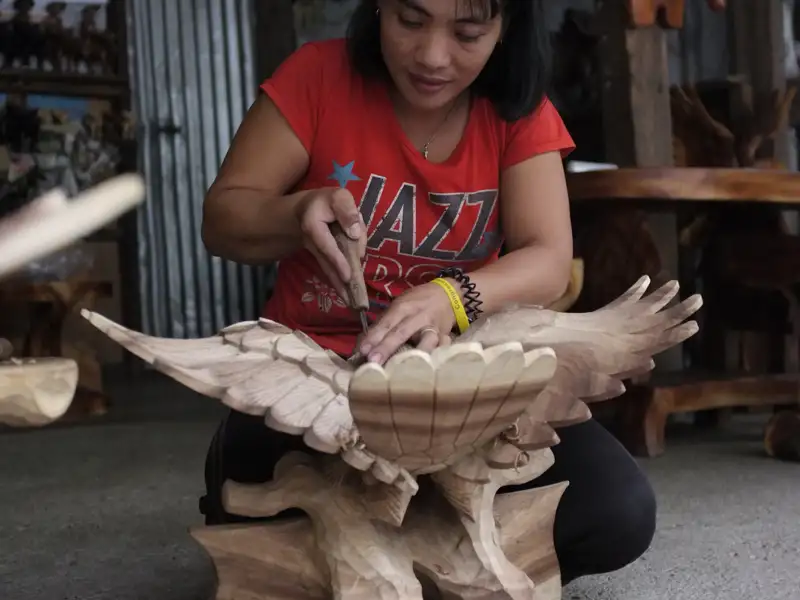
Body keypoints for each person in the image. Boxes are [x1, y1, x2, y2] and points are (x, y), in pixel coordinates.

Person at [199, 0, 656, 586]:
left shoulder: (517, 110)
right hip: (318, 375)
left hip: (467, 384)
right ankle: (434, 559)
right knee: (247, 497)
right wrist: (297, 210)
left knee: (616, 513)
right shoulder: (317, 77)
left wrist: (452, 296)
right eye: (410, 22)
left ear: (505, 29)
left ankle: (400, 560)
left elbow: (547, 259)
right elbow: (223, 219)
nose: (433, 57)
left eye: (468, 33)